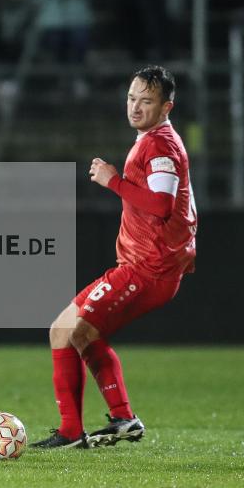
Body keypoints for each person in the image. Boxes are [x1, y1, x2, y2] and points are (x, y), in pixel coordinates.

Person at [33, 66, 197, 450]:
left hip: (147, 268)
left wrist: (113, 182)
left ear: (167, 106)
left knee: (63, 331)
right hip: (149, 266)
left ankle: (72, 433)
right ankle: (123, 418)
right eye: (131, 98)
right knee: (85, 335)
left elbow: (161, 205)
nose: (136, 107)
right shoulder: (154, 140)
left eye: (147, 100)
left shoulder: (160, 146)